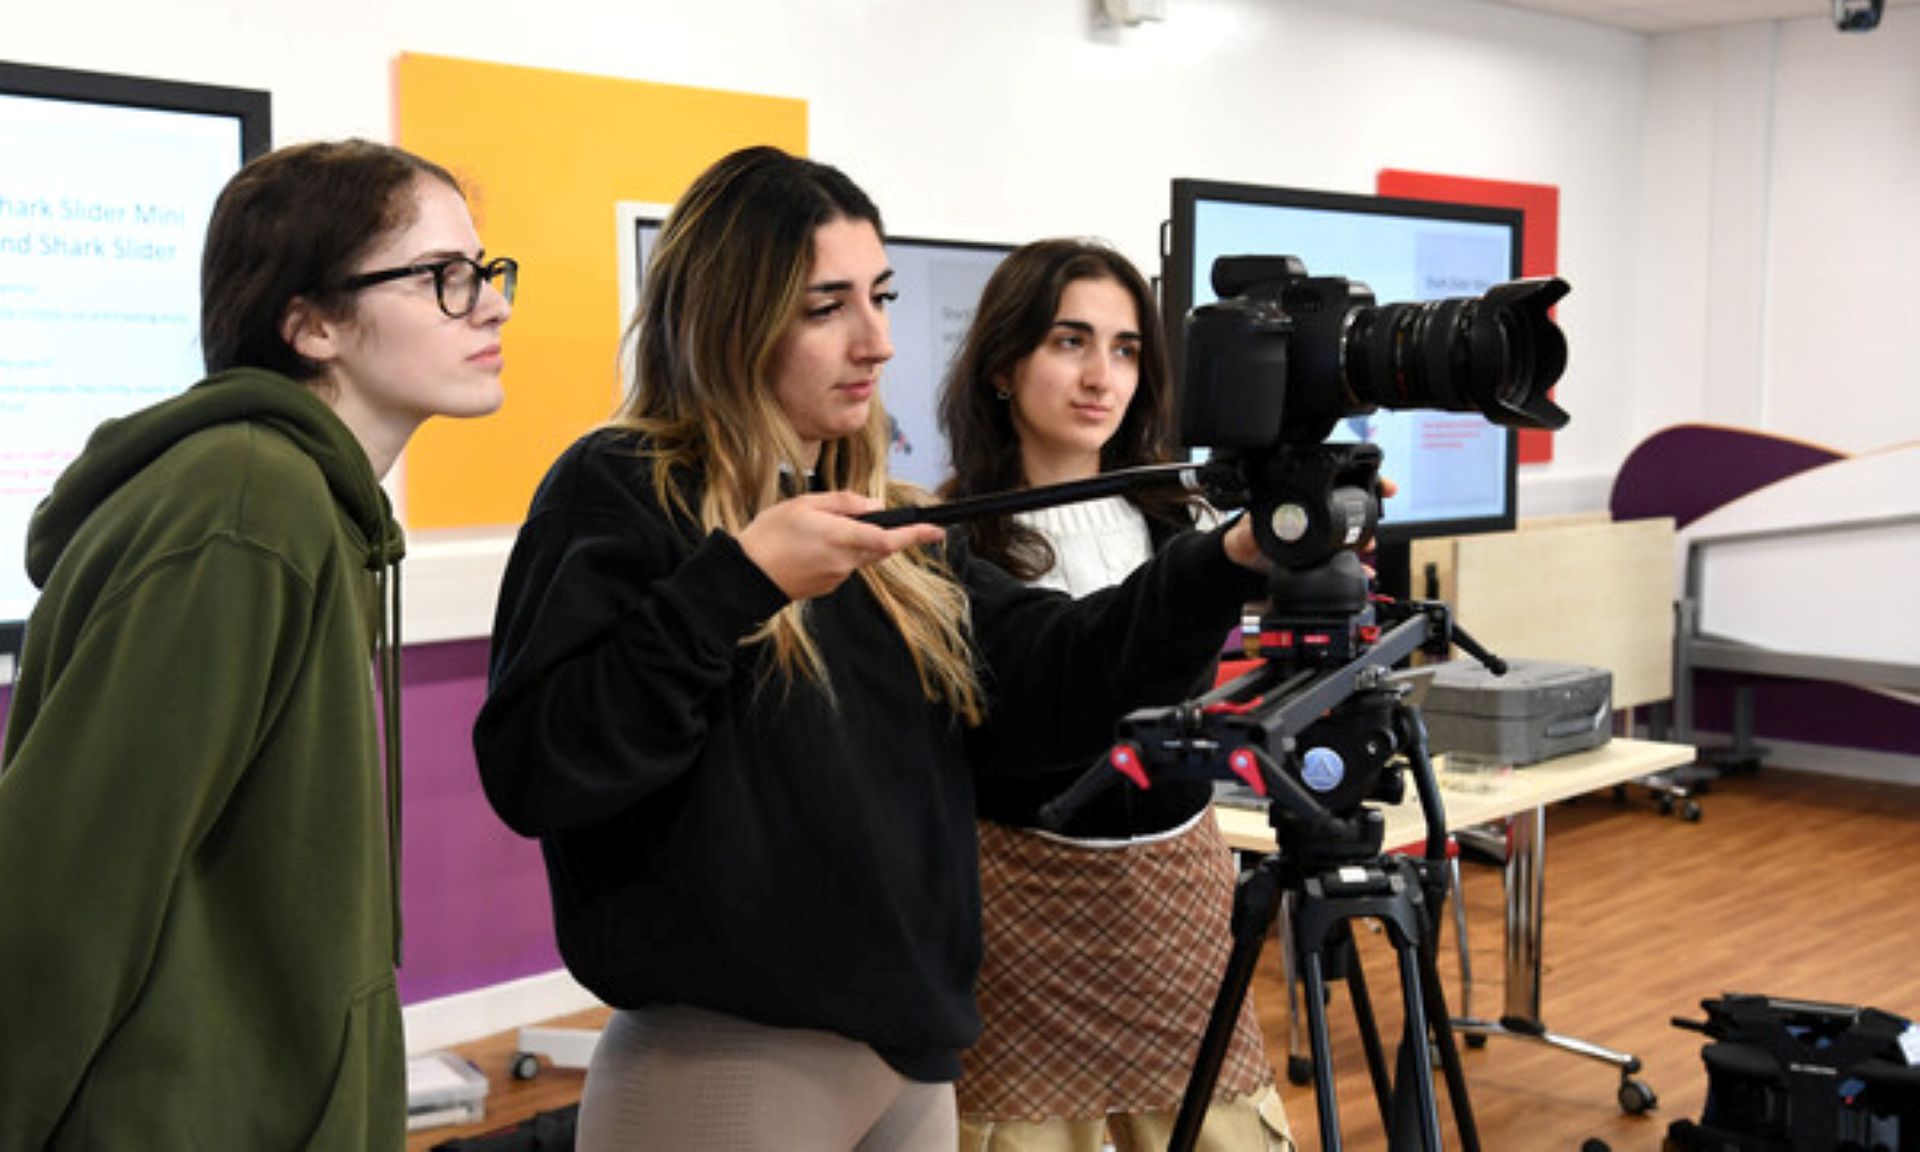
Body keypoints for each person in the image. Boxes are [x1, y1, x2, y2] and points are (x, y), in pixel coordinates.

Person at [472, 146, 1273, 1151]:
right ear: (732, 316)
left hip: (910, 1062)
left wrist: (1230, 557)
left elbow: (1054, 676)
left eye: (882, 296)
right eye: (827, 307)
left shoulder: (885, 529)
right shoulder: (625, 486)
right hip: (724, 1063)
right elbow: (540, 765)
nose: (878, 340)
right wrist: (735, 585)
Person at [0, 139, 515, 1149]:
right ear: (312, 321)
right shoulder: (248, 501)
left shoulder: (309, 504)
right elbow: (67, 890)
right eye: (444, 278)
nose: (490, 304)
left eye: (486, 273)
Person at [939, 238, 1292, 1152]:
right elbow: (1070, 675)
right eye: (1070, 341)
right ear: (1001, 367)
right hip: (1023, 921)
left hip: (1179, 901)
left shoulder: (1189, 521)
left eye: (1127, 348)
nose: (1103, 375)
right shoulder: (947, 545)